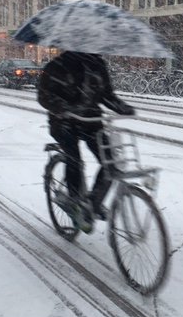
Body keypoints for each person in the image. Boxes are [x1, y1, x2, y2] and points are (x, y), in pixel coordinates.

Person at [37, 51, 135, 233]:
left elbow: (107, 95)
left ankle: (93, 202)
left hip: (91, 122)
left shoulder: (97, 64)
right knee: (75, 160)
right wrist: (65, 108)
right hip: (64, 123)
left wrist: (122, 107)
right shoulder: (57, 66)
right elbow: (44, 97)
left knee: (110, 163)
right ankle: (74, 203)